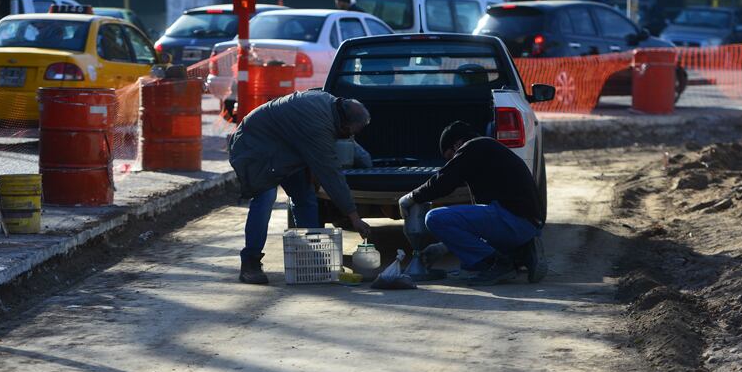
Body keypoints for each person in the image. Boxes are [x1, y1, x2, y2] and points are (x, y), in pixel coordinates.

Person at [229, 90, 372, 285]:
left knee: (305, 197)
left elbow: (342, 150)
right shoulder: (319, 124)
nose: (349, 136)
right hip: (254, 144)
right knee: (265, 199)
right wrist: (354, 216)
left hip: (285, 148)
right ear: (345, 124)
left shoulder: (332, 105)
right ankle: (250, 263)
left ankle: (313, 259)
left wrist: (368, 165)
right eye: (350, 131)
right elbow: (331, 175)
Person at [399, 121, 546, 286]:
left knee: (435, 218)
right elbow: (477, 227)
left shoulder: (473, 146)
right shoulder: (489, 151)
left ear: (457, 144)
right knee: (471, 259)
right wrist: (444, 246)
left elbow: (443, 182)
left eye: (451, 157)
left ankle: (499, 265)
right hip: (528, 224)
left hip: (512, 219)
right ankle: (523, 252)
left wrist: (412, 197)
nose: (452, 162)